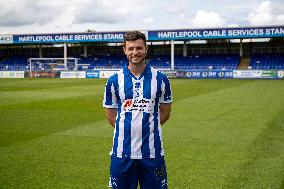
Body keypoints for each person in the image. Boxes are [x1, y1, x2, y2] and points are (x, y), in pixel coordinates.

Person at [103, 31, 172, 189]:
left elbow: (165, 112)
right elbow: (111, 116)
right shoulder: (114, 81)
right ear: (125, 50)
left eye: (139, 48)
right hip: (122, 154)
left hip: (152, 154)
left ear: (146, 49)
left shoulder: (161, 79)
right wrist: (129, 130)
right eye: (131, 48)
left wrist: (148, 127)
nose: (135, 52)